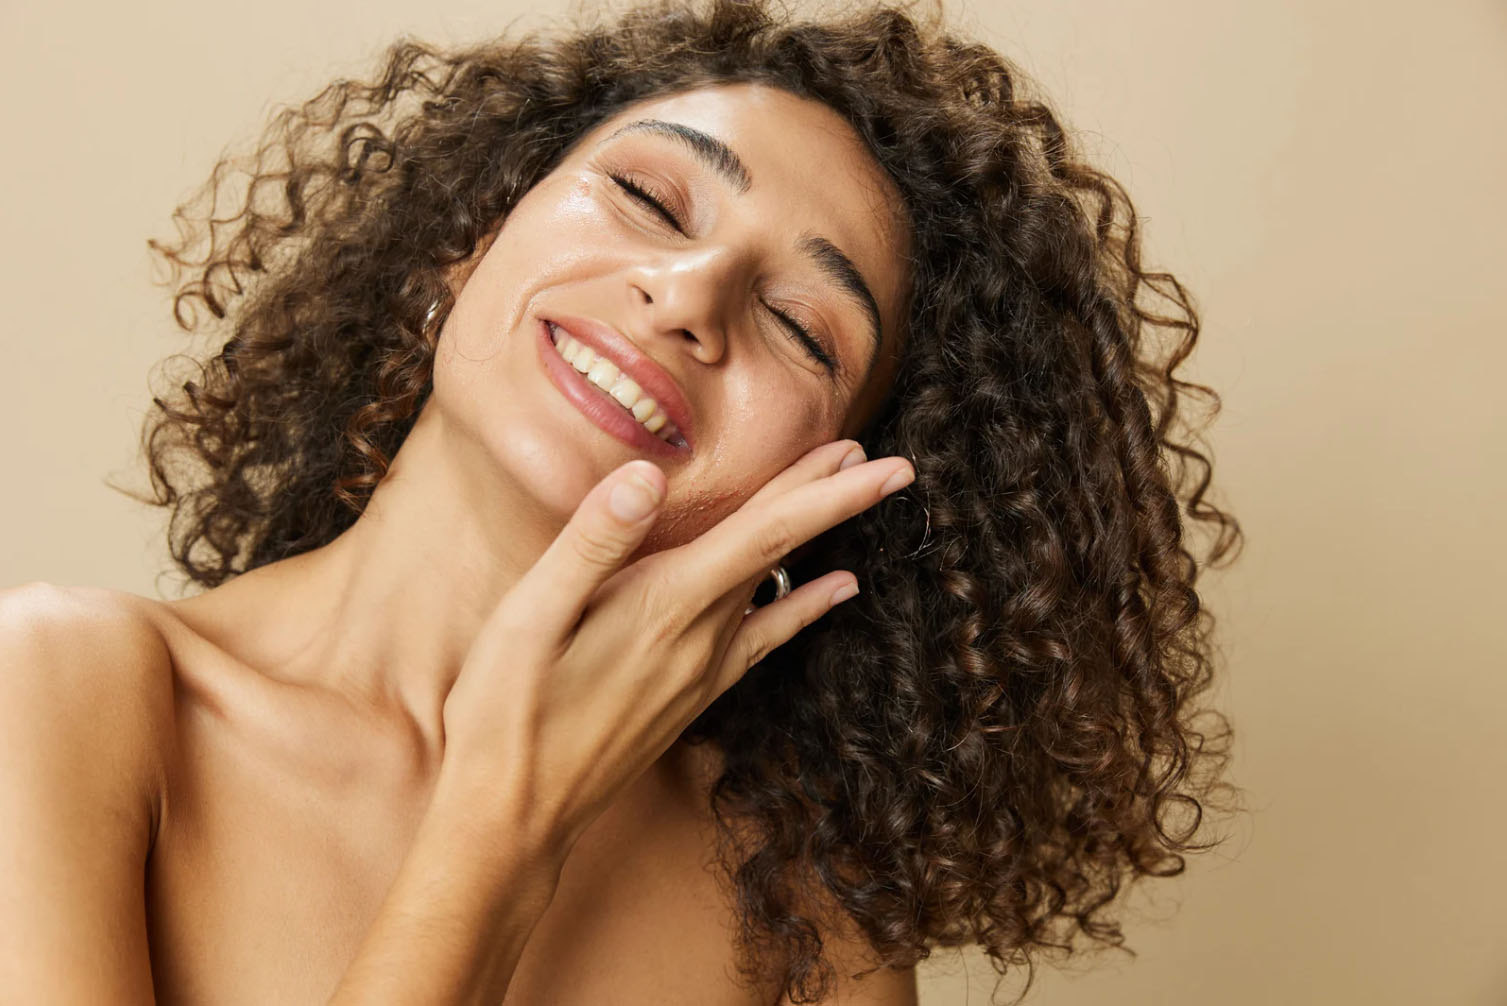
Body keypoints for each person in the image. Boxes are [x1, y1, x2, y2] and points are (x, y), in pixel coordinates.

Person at [0, 0, 1244, 1002]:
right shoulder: (67, 693)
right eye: (650, 199)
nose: (688, 293)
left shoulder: (805, 915)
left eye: (802, 328)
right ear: (469, 236)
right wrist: (498, 835)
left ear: (827, 486)